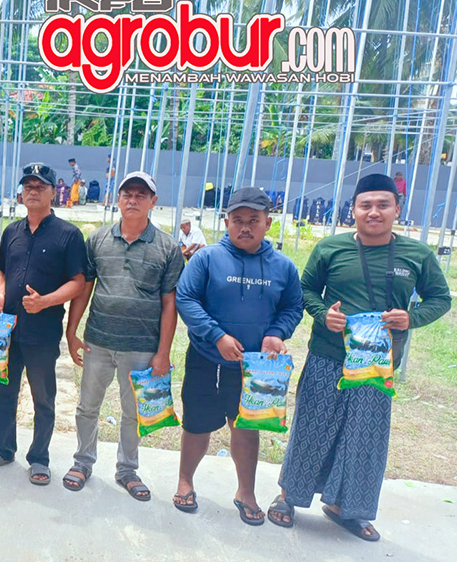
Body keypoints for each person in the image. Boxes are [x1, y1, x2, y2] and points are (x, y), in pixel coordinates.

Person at [269, 174, 451, 541]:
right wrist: (324, 314)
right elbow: (305, 290)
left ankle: (347, 509)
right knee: (312, 428)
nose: (374, 212)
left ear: (397, 209)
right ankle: (288, 497)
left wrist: (411, 318)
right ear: (353, 210)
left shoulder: (418, 255)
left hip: (377, 365)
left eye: (383, 205)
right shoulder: (330, 248)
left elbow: (441, 298)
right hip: (328, 356)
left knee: (365, 438)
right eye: (365, 205)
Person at [173, 187, 304, 524]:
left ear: (268, 223)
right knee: (197, 423)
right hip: (206, 356)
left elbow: (293, 306)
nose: (245, 227)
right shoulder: (207, 258)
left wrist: (276, 333)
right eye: (238, 220)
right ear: (226, 221)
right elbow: (186, 299)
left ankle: (246, 491)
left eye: (253, 220)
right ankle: (185, 481)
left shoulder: (283, 266)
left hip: (254, 366)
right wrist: (216, 336)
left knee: (246, 425)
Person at [60, 171, 184, 498]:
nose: (133, 200)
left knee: (133, 412)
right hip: (98, 341)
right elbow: (84, 290)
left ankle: (127, 470)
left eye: (141, 195)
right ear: (118, 199)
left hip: (141, 348)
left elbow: (169, 304)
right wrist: (72, 331)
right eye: (127, 194)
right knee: (88, 406)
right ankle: (82, 462)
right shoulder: (98, 241)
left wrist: (163, 353)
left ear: (153, 202)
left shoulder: (168, 248)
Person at [0, 162, 86, 486]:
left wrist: (45, 301)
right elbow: (1, 271)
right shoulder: (12, 231)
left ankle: (39, 458)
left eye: (40, 186)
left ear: (53, 192)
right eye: (28, 186)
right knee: (1, 390)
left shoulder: (69, 235)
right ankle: (2, 448)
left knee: (43, 398)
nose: (33, 191)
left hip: (43, 332)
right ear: (21, 193)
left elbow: (78, 282)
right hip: (5, 330)